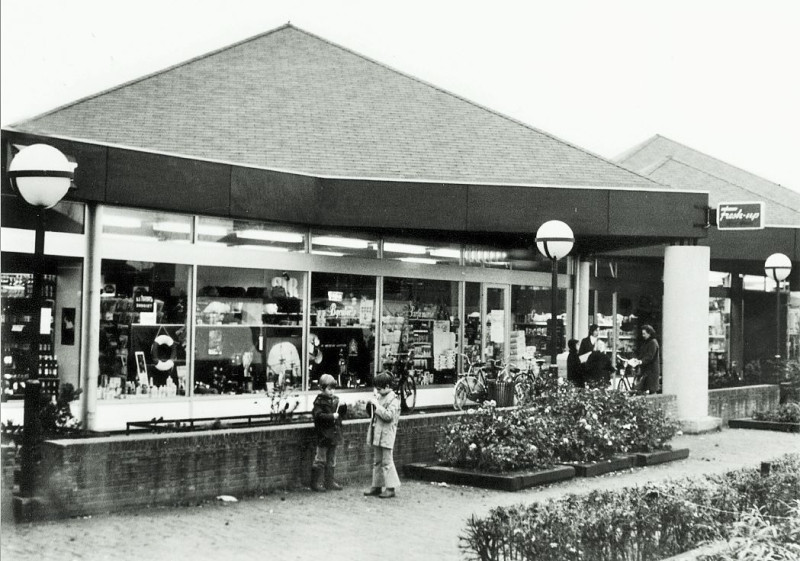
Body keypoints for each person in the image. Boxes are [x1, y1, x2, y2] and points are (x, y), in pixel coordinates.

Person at [363, 372, 401, 499]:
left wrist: (377, 406)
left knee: (387, 461)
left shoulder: (394, 399)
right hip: (377, 433)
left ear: (388, 386)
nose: (377, 391)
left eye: (379, 388)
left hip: (386, 434)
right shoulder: (380, 397)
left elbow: (389, 416)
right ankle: (376, 485)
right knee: (377, 461)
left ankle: (391, 487)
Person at [311, 374, 344, 492]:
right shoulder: (319, 402)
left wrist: (342, 410)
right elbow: (318, 416)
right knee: (320, 459)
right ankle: (315, 483)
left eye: (333, 389)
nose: (332, 391)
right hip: (324, 435)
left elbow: (340, 417)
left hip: (333, 434)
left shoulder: (335, 401)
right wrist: (331, 416)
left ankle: (329, 481)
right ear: (322, 388)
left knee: (331, 460)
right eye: (329, 389)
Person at [634, 324, 660, 394]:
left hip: (651, 371)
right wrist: (638, 360)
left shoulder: (653, 343)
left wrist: (640, 361)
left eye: (644, 334)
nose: (643, 335)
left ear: (649, 333)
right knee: (643, 389)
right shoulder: (647, 342)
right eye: (642, 334)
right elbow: (643, 354)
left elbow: (650, 356)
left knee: (650, 390)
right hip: (647, 370)